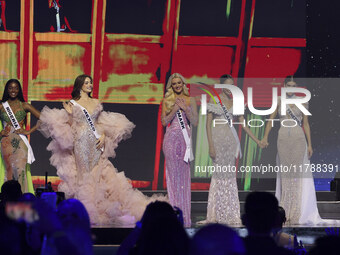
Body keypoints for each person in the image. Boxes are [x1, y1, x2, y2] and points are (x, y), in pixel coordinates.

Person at [39, 74, 165, 225]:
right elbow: (72, 125)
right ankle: (85, 211)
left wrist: (104, 135)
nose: (90, 85)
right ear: (80, 85)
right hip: (81, 142)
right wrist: (70, 114)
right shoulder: (73, 103)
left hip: (97, 141)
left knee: (97, 173)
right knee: (84, 174)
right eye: (86, 82)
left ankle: (99, 210)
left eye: (90, 82)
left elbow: (100, 123)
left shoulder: (96, 102)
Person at [260, 75, 335, 225]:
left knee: (297, 175)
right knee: (286, 174)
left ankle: (297, 210)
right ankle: (285, 209)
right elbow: (270, 120)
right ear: (284, 86)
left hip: (298, 139)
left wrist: (310, 144)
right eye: (289, 85)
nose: (291, 89)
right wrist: (265, 137)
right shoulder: (279, 101)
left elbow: (306, 124)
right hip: (283, 139)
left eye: (294, 86)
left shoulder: (303, 101)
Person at [204, 74, 263, 225]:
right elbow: (207, 125)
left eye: (232, 86)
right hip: (217, 139)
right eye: (227, 86)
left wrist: (257, 141)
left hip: (230, 141)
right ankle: (216, 212)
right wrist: (210, 145)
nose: (230, 89)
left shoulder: (236, 101)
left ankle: (229, 211)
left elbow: (243, 124)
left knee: (229, 174)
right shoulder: (214, 100)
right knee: (218, 174)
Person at [162, 73, 198, 227]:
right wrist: (175, 108)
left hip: (185, 141)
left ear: (184, 84)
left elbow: (195, 121)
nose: (177, 86)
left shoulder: (191, 100)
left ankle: (184, 217)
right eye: (174, 84)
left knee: (183, 178)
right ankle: (173, 215)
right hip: (171, 140)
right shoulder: (167, 100)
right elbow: (164, 122)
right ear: (171, 86)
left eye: (179, 83)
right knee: (172, 177)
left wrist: (186, 109)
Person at [0, 79, 40, 193]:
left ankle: (22, 199)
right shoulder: (2, 106)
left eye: (16, 88)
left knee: (20, 171)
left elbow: (43, 118)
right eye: (10, 88)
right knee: (9, 171)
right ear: (7, 90)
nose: (13, 90)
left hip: (20, 143)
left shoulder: (24, 105)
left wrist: (28, 131)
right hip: (6, 143)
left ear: (19, 90)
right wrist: (0, 133)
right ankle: (8, 200)